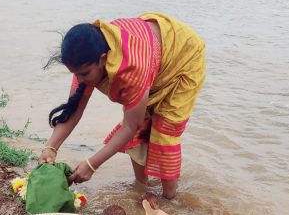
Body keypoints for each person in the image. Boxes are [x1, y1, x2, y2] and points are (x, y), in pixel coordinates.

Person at [39, 12, 206, 199]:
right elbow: (75, 109)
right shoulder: (85, 57)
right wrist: (50, 148)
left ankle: (170, 199)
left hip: (184, 55)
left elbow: (130, 126)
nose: (79, 79)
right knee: (142, 121)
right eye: (74, 73)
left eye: (84, 74)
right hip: (152, 51)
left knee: (164, 128)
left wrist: (92, 164)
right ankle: (142, 188)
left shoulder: (131, 68)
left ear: (103, 59)